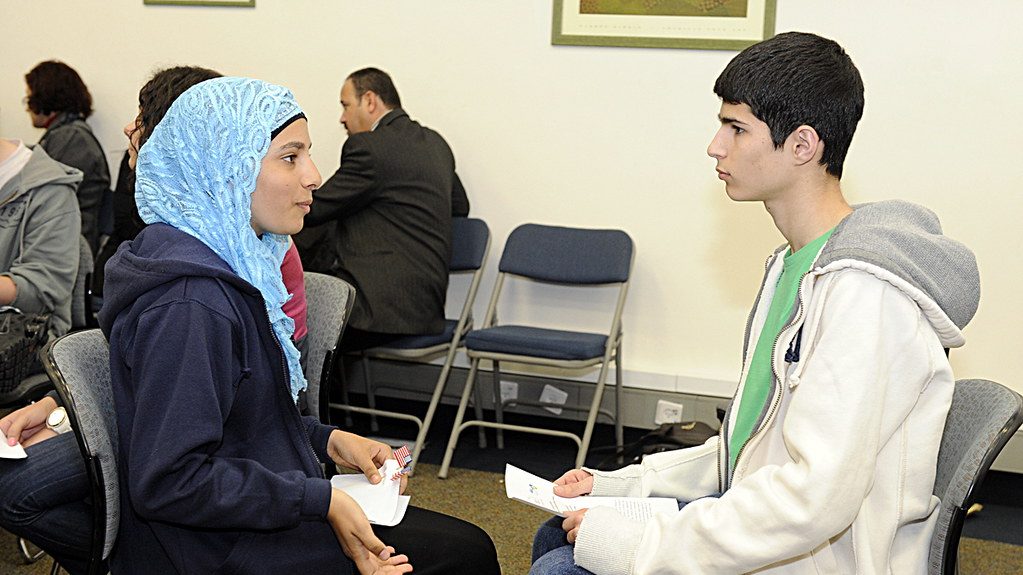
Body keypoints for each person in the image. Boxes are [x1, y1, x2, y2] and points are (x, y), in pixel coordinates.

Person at [529, 32, 981, 575]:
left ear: (802, 145)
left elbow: (812, 500)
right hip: (778, 529)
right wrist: (621, 485)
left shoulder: (864, 293)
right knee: (559, 529)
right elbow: (750, 448)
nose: (715, 146)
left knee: (561, 566)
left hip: (825, 558)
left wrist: (641, 544)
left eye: (736, 128)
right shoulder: (792, 266)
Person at [98, 76, 498, 575]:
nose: (314, 175)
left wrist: (330, 441)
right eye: (291, 157)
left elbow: (243, 421)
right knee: (466, 554)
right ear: (229, 172)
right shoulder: (192, 304)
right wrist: (320, 499)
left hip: (244, 514)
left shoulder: (230, 269)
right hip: (212, 549)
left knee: (459, 544)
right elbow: (172, 482)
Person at [0, 65, 221, 575]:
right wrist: (63, 407)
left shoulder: (196, 267)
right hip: (141, 410)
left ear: (176, 134)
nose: (127, 128)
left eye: (141, 118)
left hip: (165, 433)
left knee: (15, 489)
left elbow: (175, 406)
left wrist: (71, 417)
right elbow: (129, 351)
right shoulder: (164, 237)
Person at [294, 67, 469, 351]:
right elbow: (460, 206)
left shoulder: (368, 147)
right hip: (426, 310)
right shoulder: (436, 143)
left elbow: (315, 209)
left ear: (370, 101)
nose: (342, 118)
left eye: (346, 105)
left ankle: (304, 396)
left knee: (287, 318)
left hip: (377, 312)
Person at [24, 60, 110, 252]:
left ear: (46, 97)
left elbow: (44, 200)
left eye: (30, 99)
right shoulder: (64, 136)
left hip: (66, 251)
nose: (27, 108)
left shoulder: (71, 138)